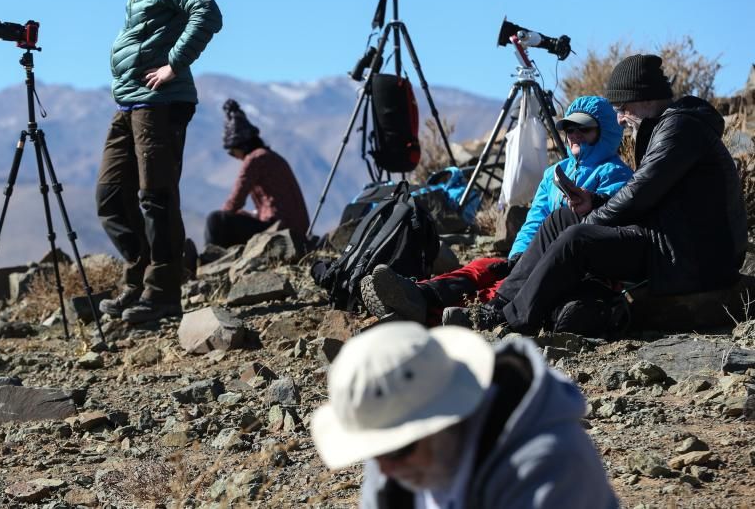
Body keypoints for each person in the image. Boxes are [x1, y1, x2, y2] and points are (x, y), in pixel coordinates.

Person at [479, 54, 747, 334]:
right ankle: (498, 304)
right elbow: (646, 198)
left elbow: (638, 195)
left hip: (696, 258)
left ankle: (514, 321)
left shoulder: (680, 129)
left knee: (576, 239)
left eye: (622, 106)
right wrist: (593, 203)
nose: (619, 118)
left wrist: (589, 221)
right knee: (563, 218)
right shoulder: (669, 127)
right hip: (670, 239)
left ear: (644, 97)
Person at [360, 95, 633, 326]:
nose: (575, 135)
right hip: (539, 252)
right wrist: (519, 254)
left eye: (584, 129)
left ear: (604, 131)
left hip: (573, 262)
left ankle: (438, 314)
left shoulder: (616, 173)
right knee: (486, 265)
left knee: (509, 285)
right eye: (570, 129)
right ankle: (420, 293)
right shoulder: (554, 173)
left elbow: (612, 215)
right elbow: (536, 218)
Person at [310, 321, 618, 508]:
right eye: (371, 452)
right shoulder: (396, 466)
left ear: (450, 413)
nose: (384, 469)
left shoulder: (548, 466)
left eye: (395, 447)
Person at [96, 0, 223, 325]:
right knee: (112, 197)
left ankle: (162, 293)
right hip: (131, 99)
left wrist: (174, 64)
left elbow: (207, 14)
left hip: (161, 103)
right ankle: (139, 280)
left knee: (157, 198)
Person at [204, 99, 310, 249]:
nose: (235, 157)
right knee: (237, 217)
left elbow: (235, 201)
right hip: (295, 227)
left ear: (240, 146)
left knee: (215, 220)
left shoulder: (254, 159)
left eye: (233, 152)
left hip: (279, 228)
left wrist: (226, 216)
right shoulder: (272, 157)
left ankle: (210, 260)